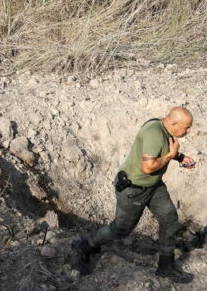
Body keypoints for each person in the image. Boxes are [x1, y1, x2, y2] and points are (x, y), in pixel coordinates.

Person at [72, 106, 197, 283]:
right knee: (121, 229)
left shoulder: (166, 128)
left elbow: (163, 151)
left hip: (154, 186)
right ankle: (86, 245)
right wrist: (171, 155)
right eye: (187, 127)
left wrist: (180, 157)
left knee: (170, 219)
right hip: (134, 189)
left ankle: (166, 267)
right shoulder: (154, 133)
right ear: (174, 123)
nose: (189, 131)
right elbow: (148, 167)